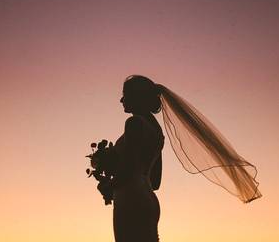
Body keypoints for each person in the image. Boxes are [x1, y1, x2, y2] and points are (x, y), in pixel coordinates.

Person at [109, 75, 261, 242]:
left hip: (130, 197)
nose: (121, 99)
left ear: (137, 96)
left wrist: (108, 183)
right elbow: (155, 180)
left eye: (126, 94)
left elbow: (127, 171)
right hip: (149, 199)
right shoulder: (156, 131)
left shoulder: (134, 123)